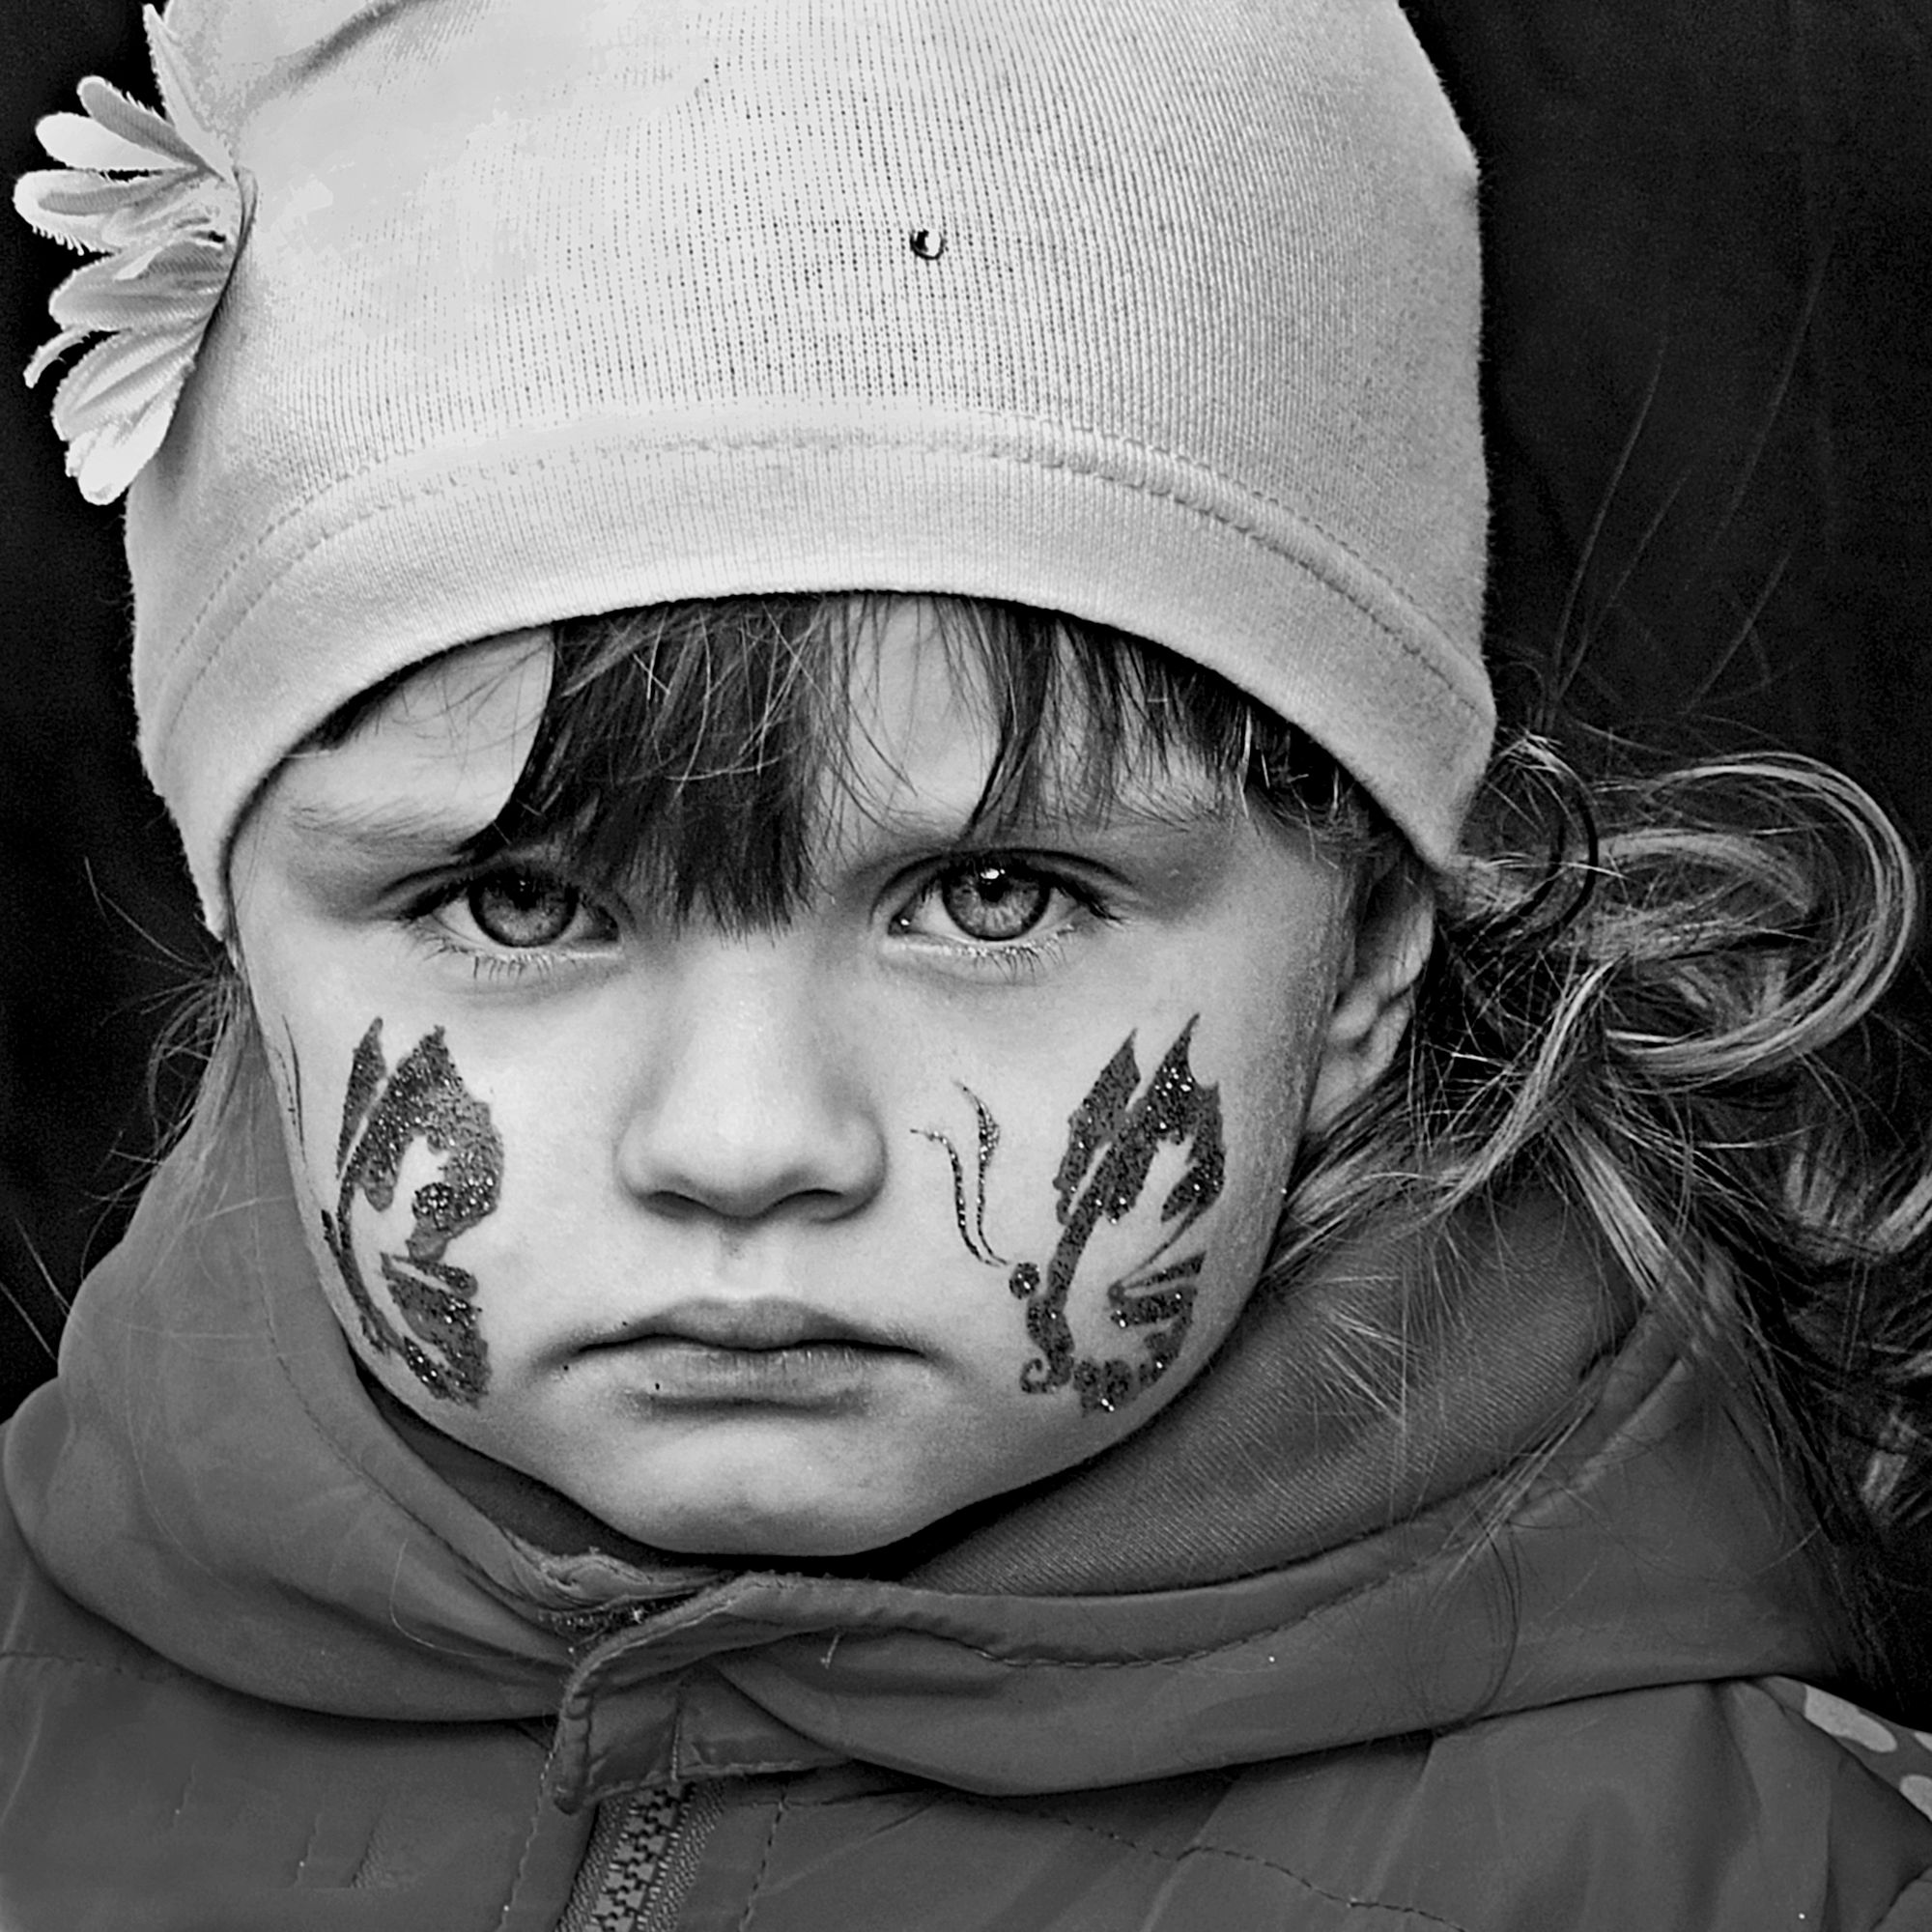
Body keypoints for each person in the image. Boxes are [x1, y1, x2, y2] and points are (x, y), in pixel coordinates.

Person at [4, 1, 1932, 1925]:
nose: (746, 1143)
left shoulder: (1708, 1868)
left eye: (994, 898)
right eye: (519, 906)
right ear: (248, 932)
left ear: (1364, 950)